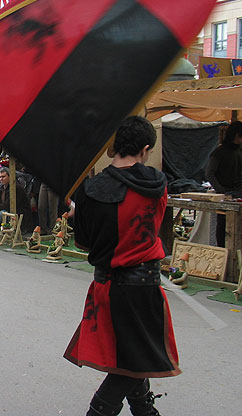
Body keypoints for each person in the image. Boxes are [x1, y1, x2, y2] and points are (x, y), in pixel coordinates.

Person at [64, 116, 180, 416]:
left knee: (132, 358)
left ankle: (144, 411)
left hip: (110, 286)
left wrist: (80, 213)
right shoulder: (158, 183)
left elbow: (85, 244)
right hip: (145, 288)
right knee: (133, 360)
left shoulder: (90, 189)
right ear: (144, 149)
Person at [205, 120, 242, 247]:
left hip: (241, 191)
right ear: (237, 135)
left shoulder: (241, 149)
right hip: (226, 194)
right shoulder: (219, 153)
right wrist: (221, 190)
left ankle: (241, 251)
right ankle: (222, 251)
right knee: (223, 226)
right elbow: (209, 173)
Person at [0, 167, 33, 235]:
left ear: (10, 176)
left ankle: (10, 232)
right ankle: (3, 232)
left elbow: (8, 204)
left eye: (3, 176)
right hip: (8, 213)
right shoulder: (2, 187)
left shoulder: (16, 188)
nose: (1, 179)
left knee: (2, 213)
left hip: (19, 215)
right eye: (0, 177)